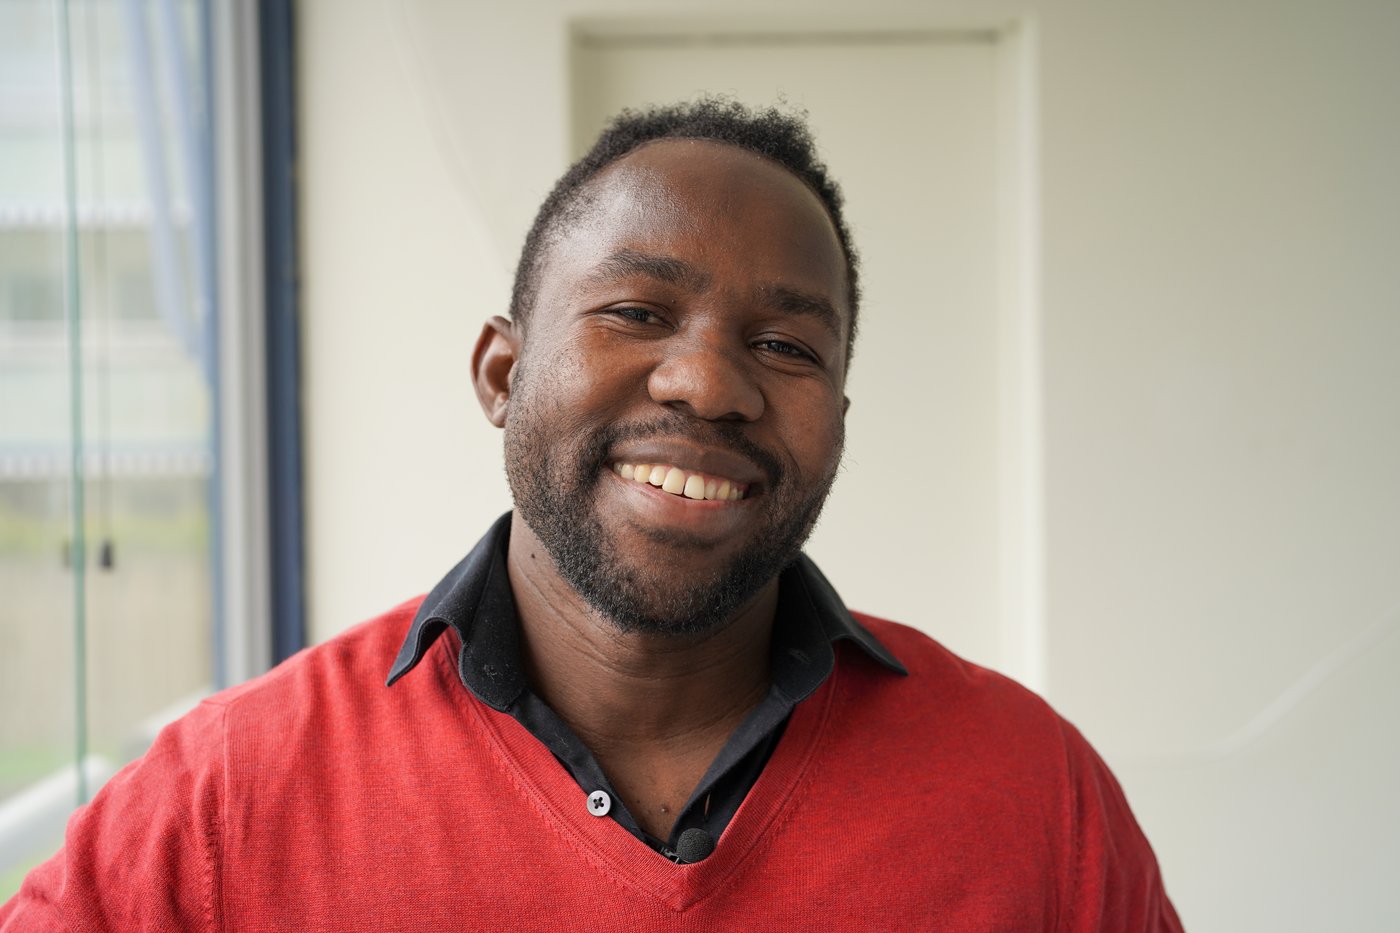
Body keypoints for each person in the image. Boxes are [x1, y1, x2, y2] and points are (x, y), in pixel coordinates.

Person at [1, 99, 1183, 931]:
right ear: (501, 374)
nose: (708, 384)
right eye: (634, 312)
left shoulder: (1031, 794)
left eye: (784, 345)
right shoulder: (228, 796)